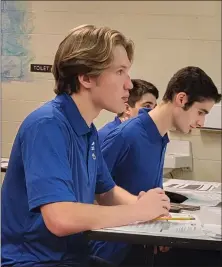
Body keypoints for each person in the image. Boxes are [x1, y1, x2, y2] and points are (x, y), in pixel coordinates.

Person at [1, 24, 171, 267]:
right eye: (120, 71)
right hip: (33, 261)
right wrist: (139, 212)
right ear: (86, 77)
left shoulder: (87, 129)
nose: (129, 85)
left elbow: (106, 191)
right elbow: (60, 218)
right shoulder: (47, 125)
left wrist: (149, 208)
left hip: (71, 257)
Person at [90, 66, 222, 266]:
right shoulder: (126, 135)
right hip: (112, 250)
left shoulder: (159, 136)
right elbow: (91, 192)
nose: (201, 122)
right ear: (181, 99)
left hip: (142, 242)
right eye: (200, 112)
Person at [98, 79, 159, 144]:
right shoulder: (108, 136)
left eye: (154, 107)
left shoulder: (144, 133)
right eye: (147, 106)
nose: (153, 112)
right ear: (127, 108)